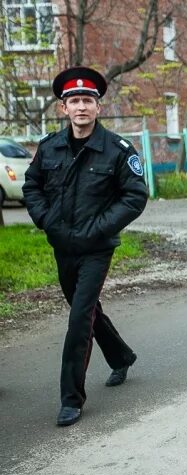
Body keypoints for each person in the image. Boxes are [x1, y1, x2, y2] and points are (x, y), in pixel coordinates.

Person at [22, 66, 148, 427]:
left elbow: (135, 196)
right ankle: (121, 356)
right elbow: (32, 187)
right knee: (88, 310)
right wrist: (48, 221)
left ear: (98, 107)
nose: (81, 107)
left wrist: (97, 228)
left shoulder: (118, 150)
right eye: (74, 101)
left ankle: (70, 399)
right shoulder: (49, 147)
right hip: (63, 244)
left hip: (96, 247)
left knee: (79, 318)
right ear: (64, 107)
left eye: (87, 101)